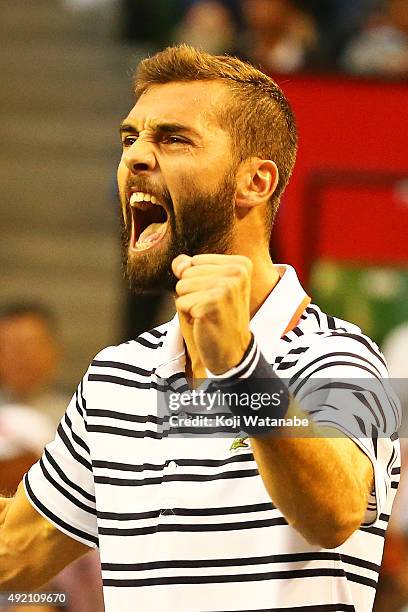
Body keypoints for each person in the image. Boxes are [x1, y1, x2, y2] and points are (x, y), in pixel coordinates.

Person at [0, 45, 400, 612]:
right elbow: (15, 552)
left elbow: (335, 512)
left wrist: (240, 363)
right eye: (129, 139)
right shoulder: (114, 378)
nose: (137, 157)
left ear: (255, 183)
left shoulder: (339, 356)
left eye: (172, 139)